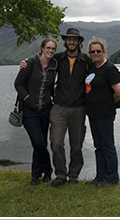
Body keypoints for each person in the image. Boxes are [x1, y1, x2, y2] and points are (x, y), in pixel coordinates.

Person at [20, 27, 92, 187]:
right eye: (69, 39)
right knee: (56, 142)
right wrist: (26, 62)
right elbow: (41, 62)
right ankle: (60, 174)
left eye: (75, 39)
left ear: (79, 42)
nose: (71, 42)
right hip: (58, 107)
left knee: (76, 145)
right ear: (65, 42)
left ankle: (73, 175)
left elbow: (96, 73)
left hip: (79, 108)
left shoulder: (86, 60)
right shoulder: (57, 59)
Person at [14, 38, 58, 185]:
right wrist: (27, 98)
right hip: (29, 110)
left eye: (53, 49)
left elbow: (51, 88)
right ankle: (48, 169)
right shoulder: (30, 63)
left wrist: (53, 100)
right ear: (42, 48)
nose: (50, 51)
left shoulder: (53, 66)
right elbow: (18, 84)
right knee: (38, 142)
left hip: (45, 109)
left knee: (40, 143)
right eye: (48, 48)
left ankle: (36, 175)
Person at [84, 37, 120, 187]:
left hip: (105, 114)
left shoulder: (109, 68)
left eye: (98, 51)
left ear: (104, 52)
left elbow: (118, 92)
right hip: (93, 114)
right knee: (98, 146)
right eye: (92, 51)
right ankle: (100, 177)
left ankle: (111, 178)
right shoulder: (93, 68)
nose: (95, 53)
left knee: (107, 146)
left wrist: (108, 104)